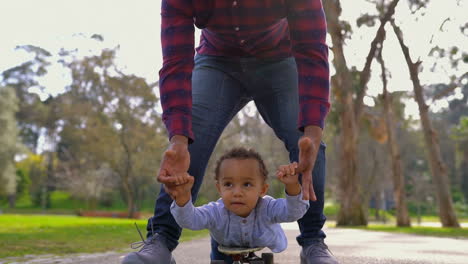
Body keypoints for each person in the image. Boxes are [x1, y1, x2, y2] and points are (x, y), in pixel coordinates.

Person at [122, 0, 337, 263]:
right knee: (189, 142)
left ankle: (314, 241)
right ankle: (161, 239)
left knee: (306, 140)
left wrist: (313, 132)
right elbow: (176, 63)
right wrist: (178, 138)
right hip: (216, 61)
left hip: (280, 58)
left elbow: (313, 51)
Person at [170, 148, 309, 263]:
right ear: (219, 189)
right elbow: (190, 220)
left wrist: (292, 186)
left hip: (259, 241)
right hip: (224, 242)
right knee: (218, 258)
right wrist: (182, 198)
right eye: (228, 184)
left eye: (247, 184)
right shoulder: (215, 211)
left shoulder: (268, 207)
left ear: (262, 190)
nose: (237, 193)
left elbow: (293, 212)